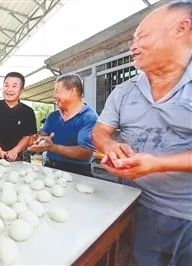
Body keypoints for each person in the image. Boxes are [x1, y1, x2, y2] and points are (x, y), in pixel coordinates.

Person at [92, 2, 192, 265]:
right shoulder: (124, 91)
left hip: (186, 217)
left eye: (142, 36)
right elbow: (100, 131)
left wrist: (158, 164)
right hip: (134, 206)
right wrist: (110, 145)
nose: (132, 46)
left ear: (182, 29)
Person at [27, 74, 97, 176]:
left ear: (72, 91)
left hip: (77, 172)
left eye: (57, 91)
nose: (54, 96)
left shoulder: (89, 117)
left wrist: (52, 148)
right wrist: (40, 140)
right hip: (50, 167)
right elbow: (43, 134)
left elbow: (85, 152)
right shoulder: (53, 116)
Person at [0, 72, 37, 161]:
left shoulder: (28, 112)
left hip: (17, 158)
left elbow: (27, 136)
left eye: (14, 86)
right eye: (6, 85)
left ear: (21, 90)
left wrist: (15, 151)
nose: (9, 89)